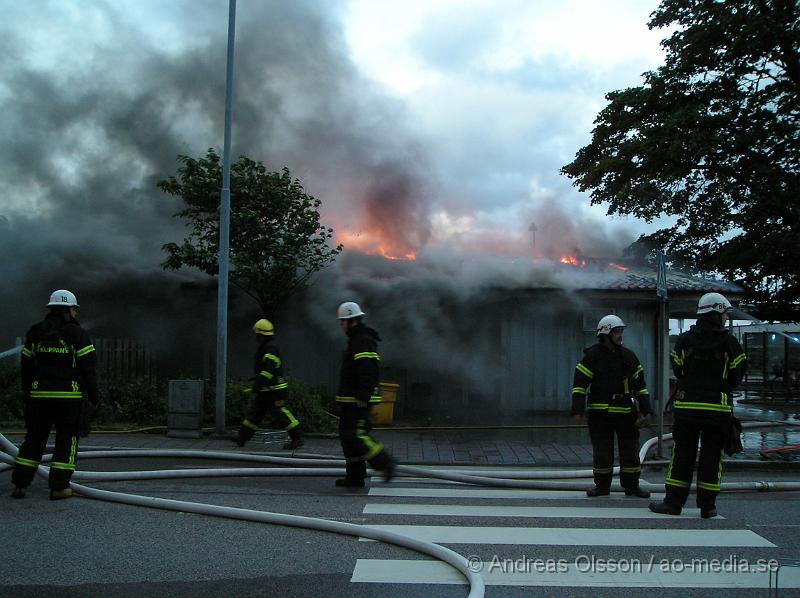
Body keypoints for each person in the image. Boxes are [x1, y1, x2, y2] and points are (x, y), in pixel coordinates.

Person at [650, 292, 746, 519]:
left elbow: (678, 369)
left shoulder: (684, 340)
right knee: (712, 456)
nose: (725, 319)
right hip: (717, 410)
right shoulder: (730, 343)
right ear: (718, 313)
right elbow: (736, 376)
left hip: (687, 407)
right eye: (724, 314)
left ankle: (673, 503)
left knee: (682, 454)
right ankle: (708, 506)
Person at [12, 289, 99, 500]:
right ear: (70, 309)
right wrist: (95, 397)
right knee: (66, 440)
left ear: (50, 309)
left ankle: (20, 485)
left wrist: (28, 395)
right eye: (74, 310)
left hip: (38, 397)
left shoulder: (35, 333)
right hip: (69, 399)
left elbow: (26, 369)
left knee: (34, 439)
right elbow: (88, 368)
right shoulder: (76, 334)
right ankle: (59, 487)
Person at [571, 314, 652, 498]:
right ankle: (602, 487)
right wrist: (577, 409)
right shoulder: (592, 356)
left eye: (621, 331)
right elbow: (580, 384)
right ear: (605, 334)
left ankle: (632, 486)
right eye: (617, 332)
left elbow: (640, 386)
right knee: (602, 451)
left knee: (630, 451)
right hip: (600, 414)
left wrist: (646, 410)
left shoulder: (629, 357)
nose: (620, 335)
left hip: (625, 412)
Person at [334, 301, 395, 487]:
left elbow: (367, 370)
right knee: (347, 436)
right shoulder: (356, 339)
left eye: (343, 321)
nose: (341, 324)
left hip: (358, 399)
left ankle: (385, 464)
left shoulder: (363, 340)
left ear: (352, 320)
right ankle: (355, 476)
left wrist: (363, 395)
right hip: (351, 399)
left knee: (357, 435)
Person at [235, 319, 304, 450]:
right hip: (266, 390)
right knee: (255, 414)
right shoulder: (267, 347)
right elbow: (266, 370)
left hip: (275, 390)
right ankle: (242, 438)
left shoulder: (270, 347)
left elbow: (269, 370)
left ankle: (297, 438)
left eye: (256, 335)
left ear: (260, 335)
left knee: (281, 413)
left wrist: (258, 383)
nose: (255, 337)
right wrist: (258, 381)